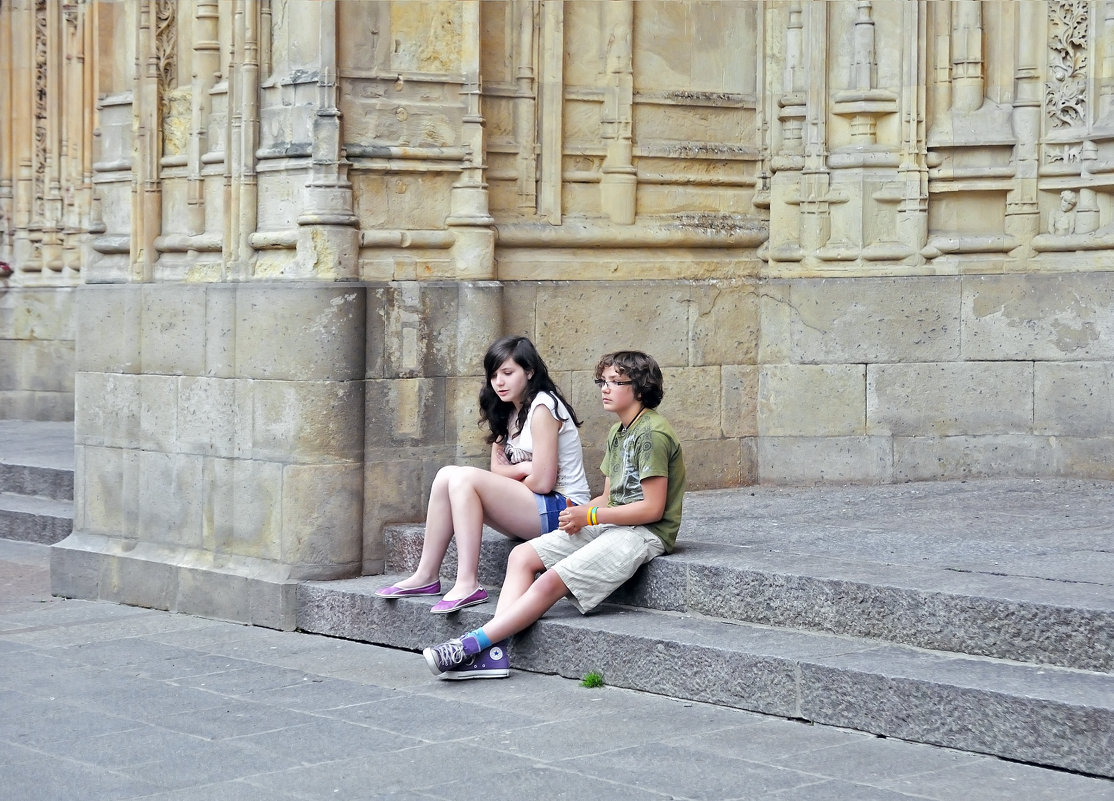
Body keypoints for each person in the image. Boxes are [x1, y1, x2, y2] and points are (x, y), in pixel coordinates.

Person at [422, 350, 686, 679]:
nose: (605, 388)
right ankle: (494, 653)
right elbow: (607, 497)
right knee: (522, 556)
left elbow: (652, 509)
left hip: (643, 534)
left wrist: (590, 518)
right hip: (612, 522)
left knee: (551, 579)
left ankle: (474, 644)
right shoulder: (618, 432)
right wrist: (582, 512)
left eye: (616, 382)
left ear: (641, 388)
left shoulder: (652, 435)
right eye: (602, 381)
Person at [376, 335, 590, 614]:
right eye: (494, 375)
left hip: (563, 510)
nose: (499, 382)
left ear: (529, 371)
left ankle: (467, 583)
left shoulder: (543, 407)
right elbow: (497, 470)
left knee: (465, 478)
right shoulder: (506, 409)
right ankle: (426, 575)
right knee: (446, 475)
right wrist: (525, 469)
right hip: (532, 507)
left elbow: (545, 482)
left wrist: (520, 477)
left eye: (508, 373)